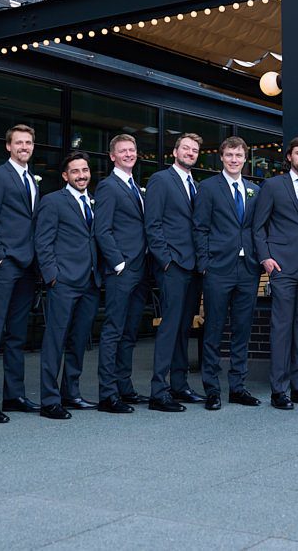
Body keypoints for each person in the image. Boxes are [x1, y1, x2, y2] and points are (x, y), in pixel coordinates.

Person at [251, 137, 298, 410]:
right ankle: (278, 390)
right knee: (281, 328)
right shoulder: (272, 186)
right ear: (289, 157)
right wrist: (266, 258)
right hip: (281, 266)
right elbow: (258, 227)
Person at [0, 124, 41, 422]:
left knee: (17, 335)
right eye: (19, 142)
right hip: (5, 265)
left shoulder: (31, 180)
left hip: (27, 267)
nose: (24, 146)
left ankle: (13, 395)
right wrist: (0, 257)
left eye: (28, 142)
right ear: (8, 146)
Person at [193, 136, 263, 410]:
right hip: (217, 269)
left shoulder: (254, 190)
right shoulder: (208, 188)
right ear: (221, 157)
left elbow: (256, 227)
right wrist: (205, 264)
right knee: (213, 329)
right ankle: (212, 389)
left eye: (239, 155)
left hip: (248, 270)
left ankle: (238, 387)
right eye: (229, 155)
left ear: (245, 159)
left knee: (242, 330)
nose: (234, 159)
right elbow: (200, 228)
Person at [34, 151, 102, 420]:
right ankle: (50, 400)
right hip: (63, 282)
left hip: (90, 283)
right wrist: (52, 276)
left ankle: (70, 393)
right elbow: (43, 241)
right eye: (75, 171)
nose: (82, 175)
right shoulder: (53, 202)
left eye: (85, 170)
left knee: (78, 342)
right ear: (65, 176)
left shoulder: (93, 202)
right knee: (55, 341)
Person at [145, 133, 207, 412]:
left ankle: (180, 386)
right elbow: (153, 224)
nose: (190, 153)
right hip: (173, 266)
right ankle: (159, 391)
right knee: (169, 327)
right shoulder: (161, 180)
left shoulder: (196, 184)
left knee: (184, 328)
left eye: (195, 150)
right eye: (186, 148)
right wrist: (165, 260)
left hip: (193, 267)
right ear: (175, 152)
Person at [94, 133, 150, 413]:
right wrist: (119, 264)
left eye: (132, 149)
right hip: (122, 270)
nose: (129, 154)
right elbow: (101, 229)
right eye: (123, 151)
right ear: (112, 156)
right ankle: (107, 394)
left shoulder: (137, 188)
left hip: (140, 270)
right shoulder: (108, 186)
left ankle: (124, 387)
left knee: (130, 332)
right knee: (113, 331)